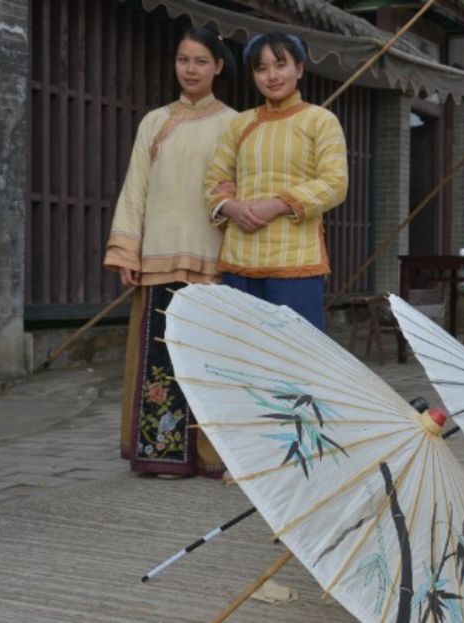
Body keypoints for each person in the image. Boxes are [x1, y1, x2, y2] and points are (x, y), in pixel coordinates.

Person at [103, 28, 238, 477]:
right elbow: (134, 188)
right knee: (160, 360)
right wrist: (127, 250)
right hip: (158, 258)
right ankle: (161, 454)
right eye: (184, 59)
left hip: (211, 258)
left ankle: (211, 456)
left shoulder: (234, 124)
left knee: (207, 360)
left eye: (201, 61)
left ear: (218, 66)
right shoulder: (154, 121)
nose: (191, 69)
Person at [204, 33, 348, 330]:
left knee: (295, 356)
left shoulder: (320, 120)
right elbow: (215, 180)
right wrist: (230, 207)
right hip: (240, 258)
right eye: (261, 68)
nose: (271, 76)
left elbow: (335, 183)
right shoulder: (240, 124)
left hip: (295, 261)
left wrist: (279, 204)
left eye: (280, 65)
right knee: (242, 354)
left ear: (299, 68)